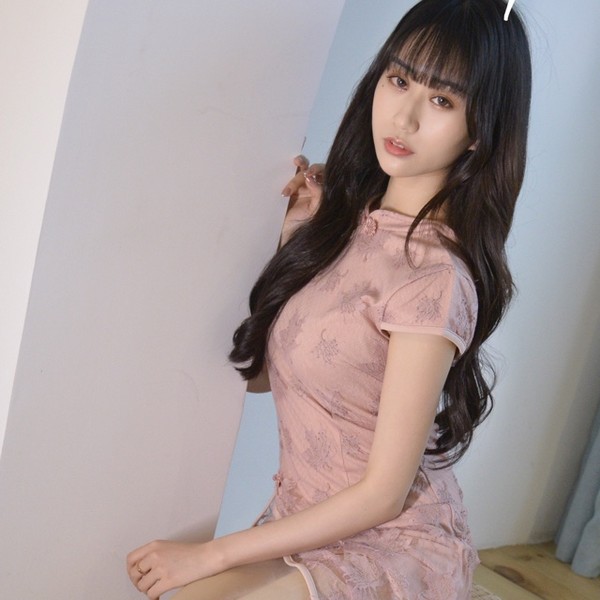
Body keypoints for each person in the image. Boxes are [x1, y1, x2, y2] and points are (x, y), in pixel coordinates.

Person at [126, 0, 532, 598]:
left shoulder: (434, 277)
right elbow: (262, 379)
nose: (405, 117)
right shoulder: (344, 227)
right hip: (305, 520)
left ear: (480, 131)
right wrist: (294, 242)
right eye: (400, 80)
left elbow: (383, 495)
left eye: (444, 101)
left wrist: (210, 554)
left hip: (391, 541)